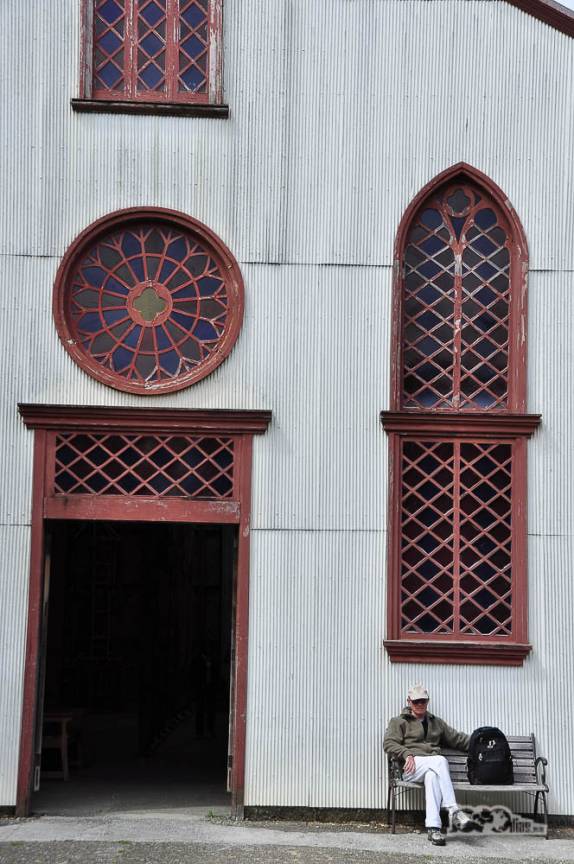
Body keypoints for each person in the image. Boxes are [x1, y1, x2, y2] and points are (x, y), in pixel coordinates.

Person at [383, 684, 472, 846]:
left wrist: (481, 742)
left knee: (432, 776)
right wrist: (406, 753)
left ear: (428, 701)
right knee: (440, 760)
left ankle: (433, 829)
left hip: (430, 767)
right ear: (409, 701)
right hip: (410, 768)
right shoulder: (399, 721)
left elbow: (457, 739)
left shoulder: (436, 722)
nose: (420, 704)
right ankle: (453, 809)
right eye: (416, 701)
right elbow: (388, 743)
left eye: (423, 701)